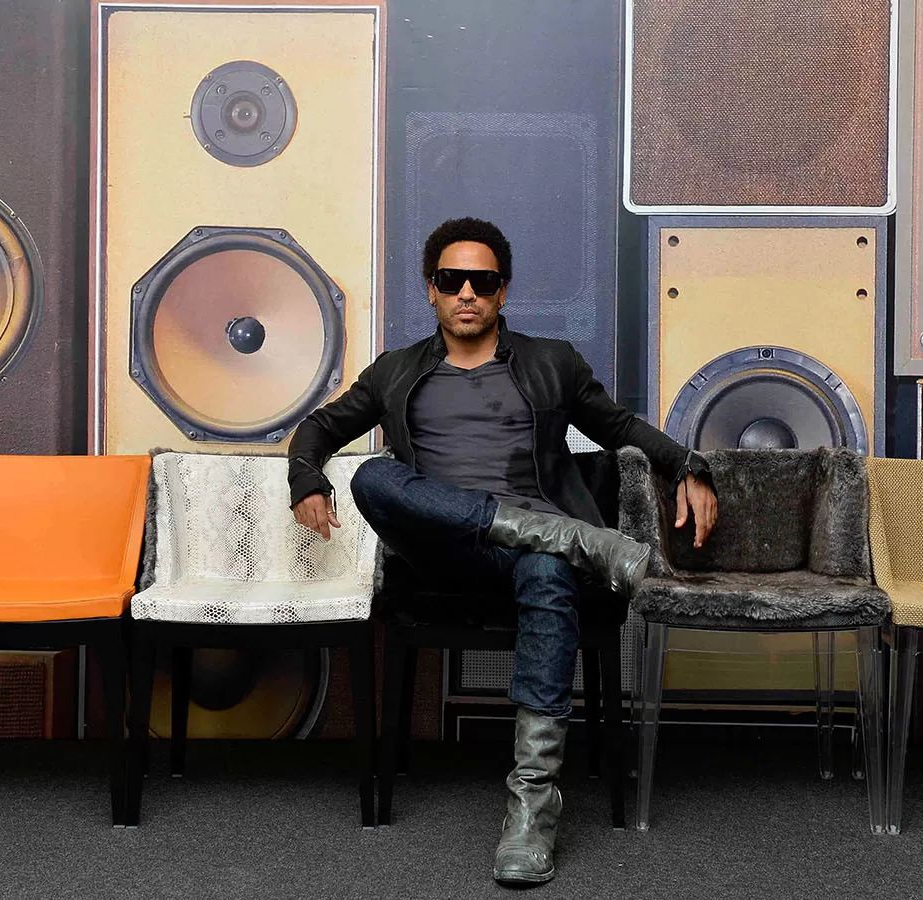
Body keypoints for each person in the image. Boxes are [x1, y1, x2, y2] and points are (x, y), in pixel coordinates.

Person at [287, 217, 718, 886]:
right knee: (372, 475)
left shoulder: (553, 363)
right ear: (431, 289)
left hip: (528, 561)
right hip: (442, 556)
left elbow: (618, 427)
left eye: (482, 282)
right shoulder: (395, 371)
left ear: (503, 291)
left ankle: (531, 811)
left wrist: (688, 464)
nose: (467, 293)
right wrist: (305, 478)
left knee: (546, 566)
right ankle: (578, 540)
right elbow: (320, 428)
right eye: (451, 279)